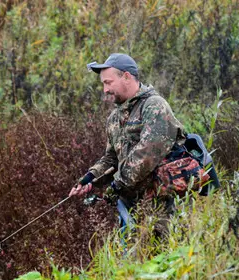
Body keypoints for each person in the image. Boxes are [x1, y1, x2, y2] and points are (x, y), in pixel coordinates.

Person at [69, 53, 186, 234]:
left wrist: (117, 185)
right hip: (130, 207)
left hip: (161, 206)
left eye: (108, 82)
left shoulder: (155, 106)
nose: (105, 90)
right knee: (132, 258)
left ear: (126, 77)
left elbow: (147, 154)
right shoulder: (114, 118)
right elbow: (111, 158)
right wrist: (90, 178)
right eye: (103, 84)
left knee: (161, 256)